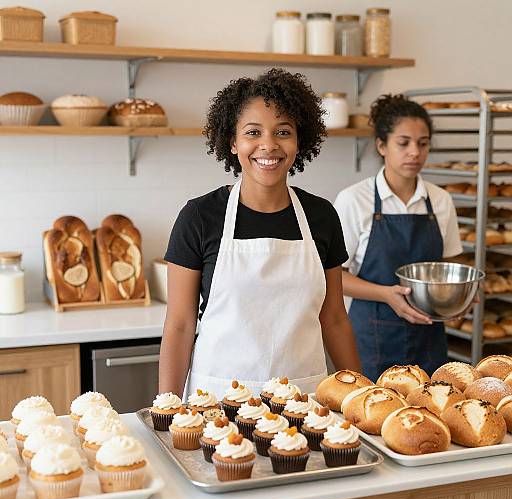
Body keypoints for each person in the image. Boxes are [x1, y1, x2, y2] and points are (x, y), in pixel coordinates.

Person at [159, 68, 360, 398]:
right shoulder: (199, 217)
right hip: (216, 403)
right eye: (253, 132)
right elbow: (180, 325)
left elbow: (335, 318)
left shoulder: (321, 216)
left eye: (283, 132)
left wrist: (357, 395)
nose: (268, 145)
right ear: (233, 142)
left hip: (303, 400)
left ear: (299, 141)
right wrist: (165, 407)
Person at [334, 94, 462, 382]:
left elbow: (451, 267)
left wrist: (458, 299)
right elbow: (334, 278)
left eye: (423, 143)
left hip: (429, 337)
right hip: (372, 339)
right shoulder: (354, 200)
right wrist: (386, 294)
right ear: (382, 145)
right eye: (403, 143)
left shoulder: (440, 200)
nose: (414, 152)